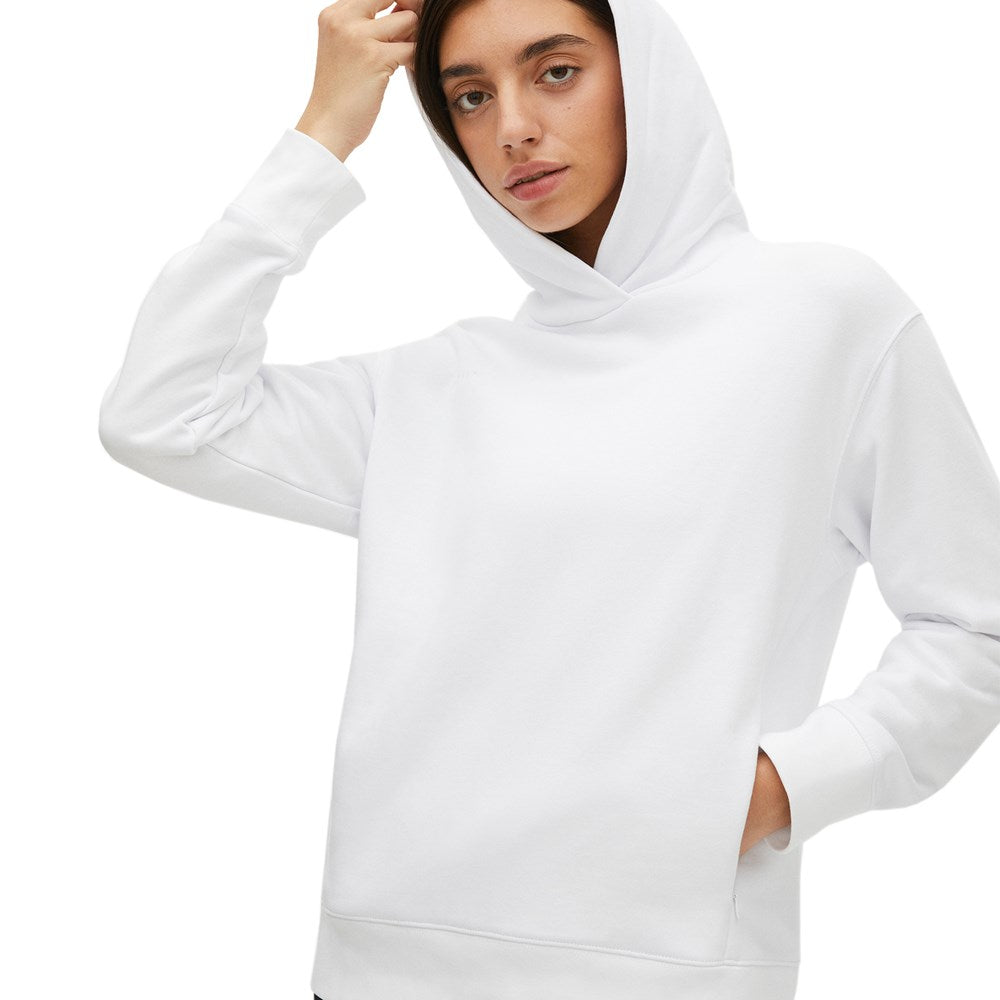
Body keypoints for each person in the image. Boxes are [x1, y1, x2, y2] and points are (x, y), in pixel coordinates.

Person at [97, 0, 1000, 998]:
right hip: (382, 968)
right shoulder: (434, 386)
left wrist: (787, 785)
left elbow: (974, 623)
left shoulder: (825, 316)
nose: (513, 127)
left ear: (642, 72)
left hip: (663, 969)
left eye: (556, 71)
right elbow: (161, 412)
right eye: (469, 97)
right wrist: (323, 133)